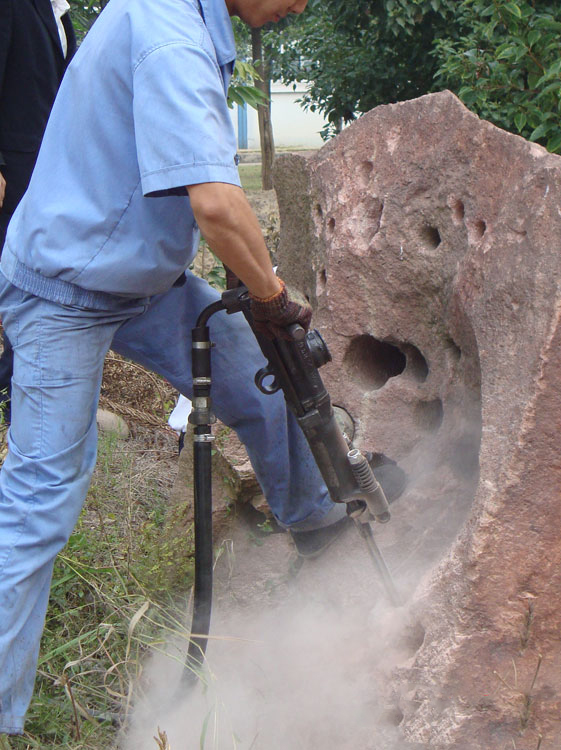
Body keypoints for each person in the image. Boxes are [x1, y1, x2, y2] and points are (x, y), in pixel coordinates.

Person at [0, 0, 404, 736]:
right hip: (64, 288)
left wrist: (268, 313)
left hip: (138, 280)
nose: (301, 6)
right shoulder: (169, 34)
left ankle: (313, 514)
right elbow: (217, 205)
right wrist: (272, 296)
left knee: (264, 372)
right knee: (40, 500)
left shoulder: (188, 23)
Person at [0, 0, 77, 422]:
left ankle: (20, 410)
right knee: (17, 292)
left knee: (29, 292)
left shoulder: (59, 10)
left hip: (45, 181)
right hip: (11, 177)